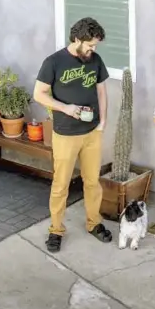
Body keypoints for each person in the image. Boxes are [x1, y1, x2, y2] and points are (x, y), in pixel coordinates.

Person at [34, 17, 112, 252]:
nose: (93, 49)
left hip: (92, 133)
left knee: (92, 182)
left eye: (96, 45)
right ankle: (56, 230)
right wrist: (65, 108)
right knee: (61, 185)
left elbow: (101, 92)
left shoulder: (95, 60)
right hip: (65, 134)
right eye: (90, 45)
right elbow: (39, 94)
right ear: (77, 39)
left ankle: (94, 223)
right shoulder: (54, 62)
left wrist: (103, 122)